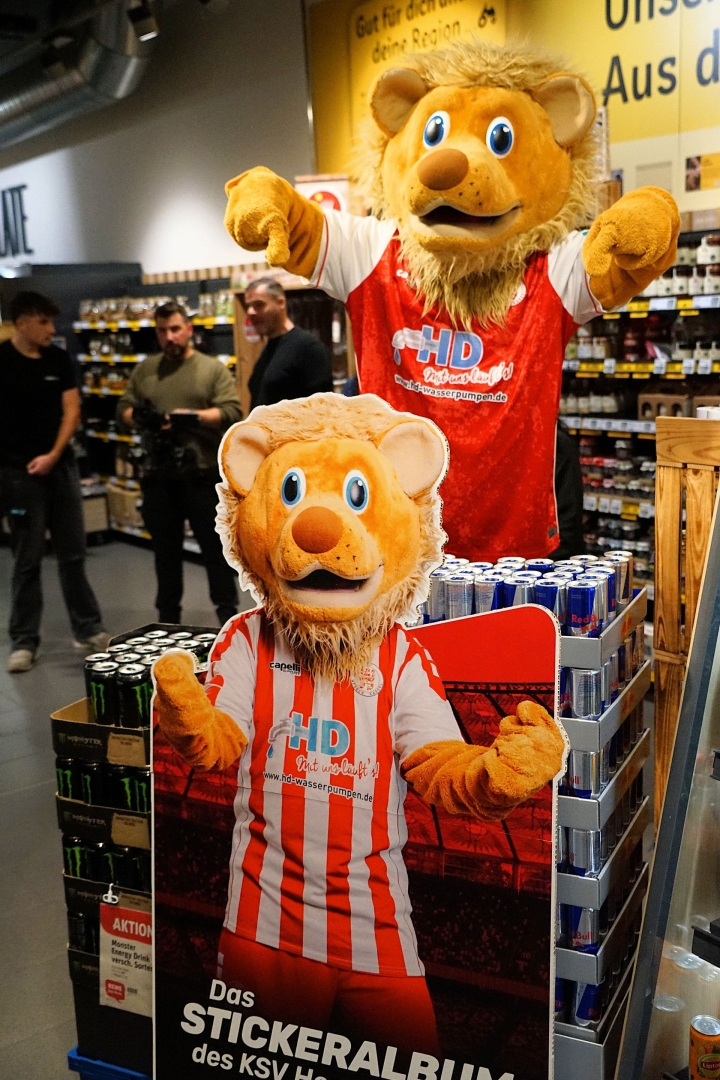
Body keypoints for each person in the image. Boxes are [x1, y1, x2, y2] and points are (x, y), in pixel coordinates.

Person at [0, 291, 109, 673]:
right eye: (44, 321)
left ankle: (89, 629)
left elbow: (71, 410)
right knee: (26, 560)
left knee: (73, 556)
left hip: (61, 470)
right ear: (22, 322)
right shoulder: (2, 361)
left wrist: (53, 455)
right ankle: (24, 641)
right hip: (18, 477)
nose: (51, 329)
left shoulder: (58, 360)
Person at [118, 301, 242, 626]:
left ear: (189, 329)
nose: (169, 337)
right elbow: (124, 409)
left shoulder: (211, 369)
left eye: (175, 329)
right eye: (162, 331)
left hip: (201, 476)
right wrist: (140, 418)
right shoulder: (146, 370)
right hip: (159, 477)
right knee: (165, 556)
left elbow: (232, 411)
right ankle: (168, 624)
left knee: (215, 553)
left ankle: (229, 621)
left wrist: (192, 418)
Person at [244, 277, 333, 408]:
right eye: (248, 306)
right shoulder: (269, 347)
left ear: (280, 303)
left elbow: (323, 409)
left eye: (259, 304)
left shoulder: (308, 347)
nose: (250, 312)